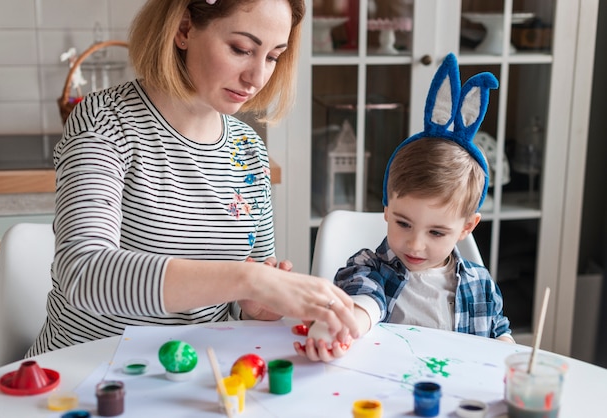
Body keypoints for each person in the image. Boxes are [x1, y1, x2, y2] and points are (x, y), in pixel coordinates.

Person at [27, 0, 359, 356]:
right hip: (84, 374)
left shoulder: (248, 150)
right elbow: (84, 272)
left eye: (273, 57)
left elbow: (247, 293)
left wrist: (256, 307)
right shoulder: (104, 122)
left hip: (197, 374)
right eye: (242, 49)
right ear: (184, 30)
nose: (258, 78)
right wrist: (252, 280)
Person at [294, 53, 514, 362]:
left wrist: (508, 351)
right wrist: (346, 326)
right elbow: (364, 302)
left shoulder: (479, 284)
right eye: (403, 223)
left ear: (467, 227)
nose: (415, 244)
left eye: (436, 232)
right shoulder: (369, 269)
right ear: (387, 206)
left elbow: (498, 331)